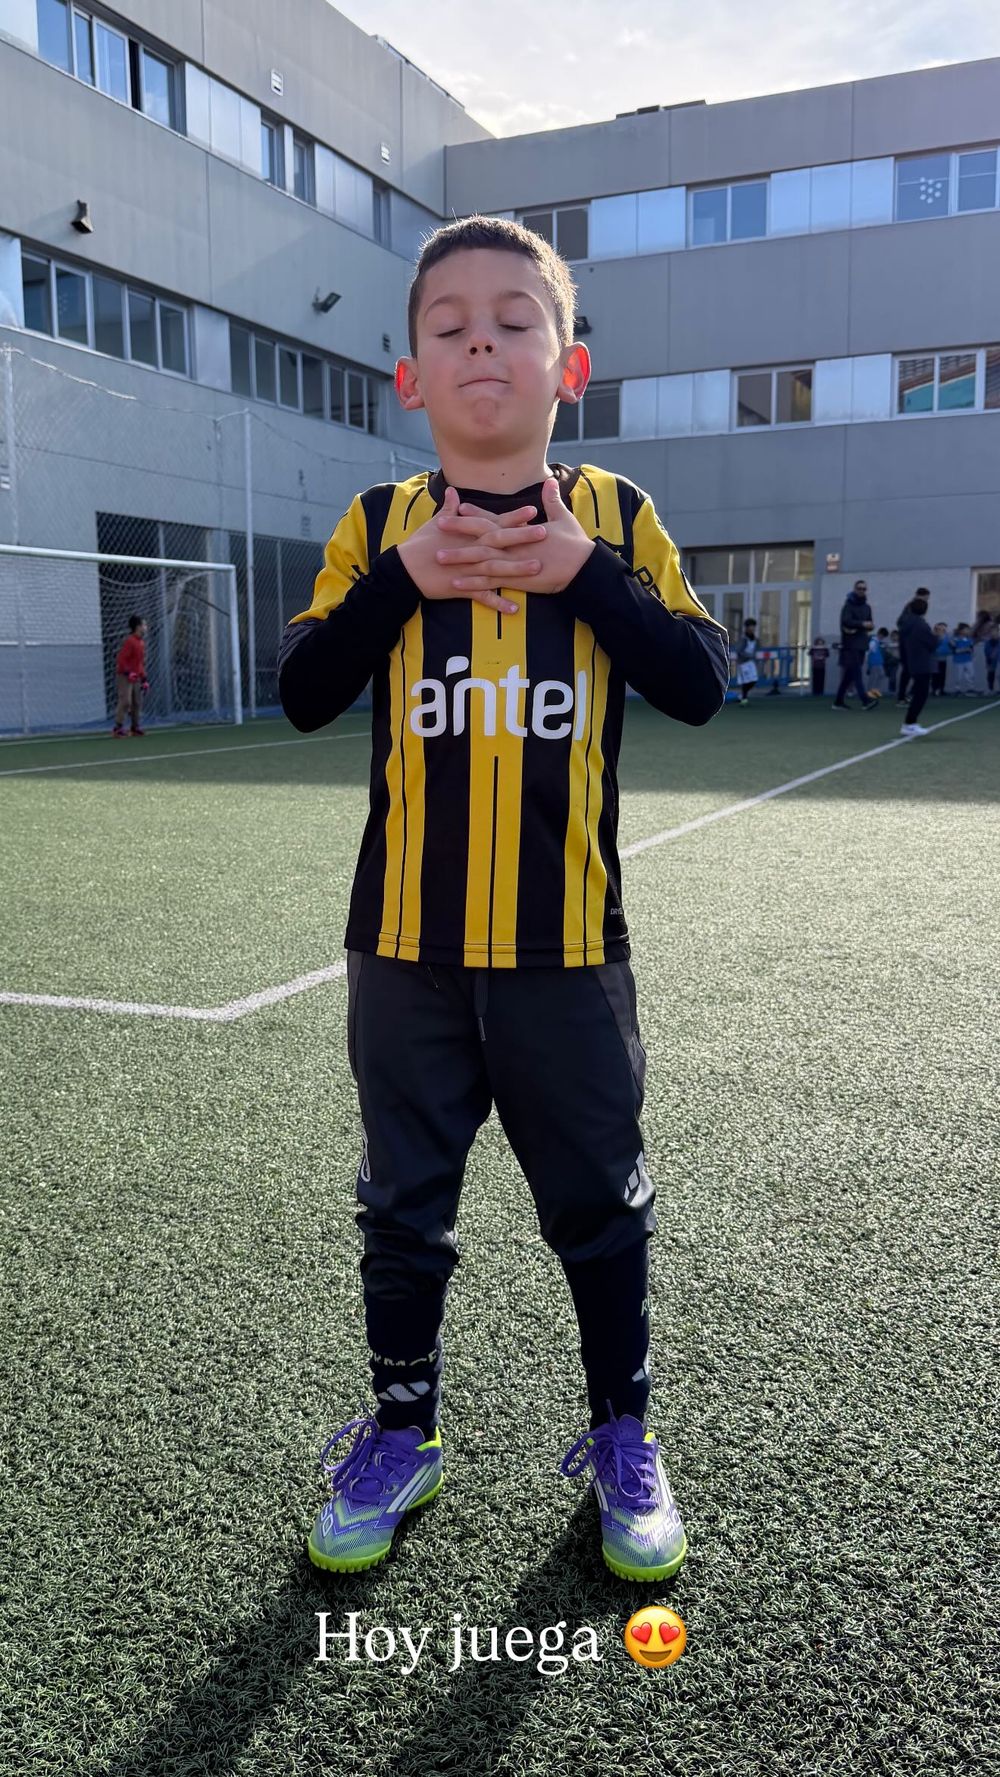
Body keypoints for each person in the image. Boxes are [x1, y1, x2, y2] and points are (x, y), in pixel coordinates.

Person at [277, 215, 730, 1583]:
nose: (484, 339)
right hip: (402, 949)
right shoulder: (375, 528)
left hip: (564, 947)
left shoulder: (616, 519)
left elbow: (702, 680)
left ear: (567, 363)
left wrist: (583, 580)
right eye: (451, 323)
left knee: (598, 1201)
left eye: (514, 319)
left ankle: (621, 1436)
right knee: (402, 1204)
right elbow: (305, 689)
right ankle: (404, 1430)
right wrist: (407, 582)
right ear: (410, 376)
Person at [832, 579, 877, 710]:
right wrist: (862, 624)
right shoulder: (848, 606)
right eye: (859, 588)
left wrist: (869, 626)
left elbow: (869, 623)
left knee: (849, 675)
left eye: (864, 589)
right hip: (850, 644)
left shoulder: (867, 607)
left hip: (862, 644)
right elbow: (846, 621)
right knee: (857, 673)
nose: (862, 591)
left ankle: (838, 701)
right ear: (854, 589)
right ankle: (865, 700)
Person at [897, 593, 936, 736]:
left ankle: (910, 722)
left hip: (912, 661)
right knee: (921, 694)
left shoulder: (906, 623)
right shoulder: (921, 625)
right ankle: (909, 723)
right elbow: (931, 643)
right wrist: (936, 637)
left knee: (919, 693)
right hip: (921, 662)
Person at [112, 613, 148, 737]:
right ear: (138, 627)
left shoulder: (141, 643)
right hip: (125, 676)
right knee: (126, 701)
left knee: (137, 702)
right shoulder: (129, 641)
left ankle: (135, 727)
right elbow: (121, 660)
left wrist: (144, 678)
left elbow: (140, 663)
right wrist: (128, 672)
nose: (146, 627)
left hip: (136, 676)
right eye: (144, 624)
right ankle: (118, 727)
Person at [896, 587, 931, 704]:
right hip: (908, 643)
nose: (927, 600)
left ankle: (909, 694)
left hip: (912, 643)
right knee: (909, 670)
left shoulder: (918, 609)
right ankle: (903, 696)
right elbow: (902, 622)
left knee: (914, 670)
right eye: (925, 597)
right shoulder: (911, 607)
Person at [733, 618, 760, 703]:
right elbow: (739, 651)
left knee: (754, 680)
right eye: (750, 627)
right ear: (747, 628)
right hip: (743, 663)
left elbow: (756, 649)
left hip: (751, 662)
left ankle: (741, 696)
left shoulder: (755, 639)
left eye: (753, 627)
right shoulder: (743, 639)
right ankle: (744, 699)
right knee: (745, 681)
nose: (752, 629)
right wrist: (748, 655)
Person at [950, 623, 976, 696]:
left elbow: (971, 649)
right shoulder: (955, 639)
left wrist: (964, 650)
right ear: (961, 630)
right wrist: (964, 650)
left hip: (968, 660)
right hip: (958, 661)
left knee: (970, 674)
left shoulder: (969, 639)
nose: (968, 631)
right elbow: (954, 650)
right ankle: (957, 689)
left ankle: (970, 689)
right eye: (966, 629)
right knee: (958, 676)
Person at [931, 623, 951, 697]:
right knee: (935, 675)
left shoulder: (947, 637)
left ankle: (941, 689)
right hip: (935, 659)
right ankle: (934, 689)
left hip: (943, 658)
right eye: (940, 629)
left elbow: (950, 646)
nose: (941, 630)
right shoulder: (934, 637)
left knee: (943, 675)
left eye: (943, 629)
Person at [984, 621, 999, 695]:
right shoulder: (988, 642)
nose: (993, 633)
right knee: (991, 675)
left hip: (999, 660)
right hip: (991, 661)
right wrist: (988, 661)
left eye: (995, 631)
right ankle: (991, 689)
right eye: (991, 632)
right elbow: (986, 652)